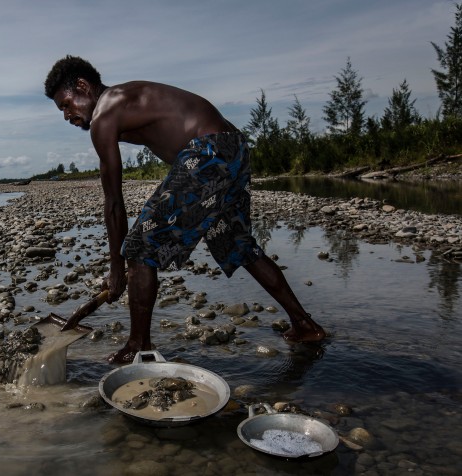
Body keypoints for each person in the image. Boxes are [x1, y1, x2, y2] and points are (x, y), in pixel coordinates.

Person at [44, 55, 326, 364]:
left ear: (83, 86)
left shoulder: (105, 112)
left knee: (138, 247)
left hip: (208, 150)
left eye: (67, 105)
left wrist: (117, 270)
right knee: (238, 245)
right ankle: (305, 324)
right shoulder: (125, 101)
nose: (67, 115)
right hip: (233, 148)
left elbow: (113, 202)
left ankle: (139, 347)